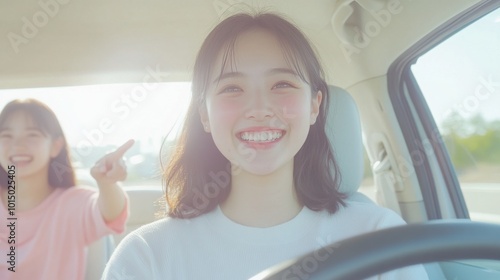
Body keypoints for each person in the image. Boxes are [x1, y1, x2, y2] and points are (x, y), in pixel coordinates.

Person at [102, 13, 429, 279]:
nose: (259, 108)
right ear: (205, 114)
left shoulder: (378, 236)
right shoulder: (147, 256)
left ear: (314, 106)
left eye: (282, 84)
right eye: (232, 88)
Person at [0, 99, 133, 280]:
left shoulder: (73, 203)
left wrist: (107, 183)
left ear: (56, 146)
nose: (18, 145)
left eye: (32, 135)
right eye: (6, 136)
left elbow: (111, 213)